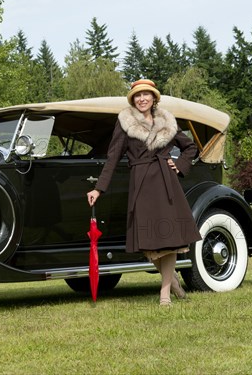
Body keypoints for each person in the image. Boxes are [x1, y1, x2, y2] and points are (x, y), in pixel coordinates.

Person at [86, 79, 202, 306]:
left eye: (146, 95)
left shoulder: (166, 120)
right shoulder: (125, 122)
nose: (142, 99)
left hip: (166, 184)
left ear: (154, 98)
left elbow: (190, 147)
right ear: (132, 99)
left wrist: (178, 166)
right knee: (149, 243)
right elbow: (113, 158)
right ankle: (173, 282)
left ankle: (165, 292)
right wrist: (99, 188)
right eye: (138, 96)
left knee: (169, 241)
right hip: (141, 185)